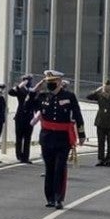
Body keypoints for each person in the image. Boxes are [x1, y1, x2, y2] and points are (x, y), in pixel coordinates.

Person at [33, 70, 86, 209]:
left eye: (53, 82)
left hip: (63, 138)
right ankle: (49, 198)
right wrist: (35, 90)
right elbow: (28, 105)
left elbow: (77, 115)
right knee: (49, 168)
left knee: (59, 168)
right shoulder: (43, 96)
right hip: (47, 137)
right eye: (48, 82)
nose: (50, 84)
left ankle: (58, 198)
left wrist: (81, 134)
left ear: (60, 82)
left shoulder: (69, 96)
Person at [86, 81, 110, 167]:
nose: (108, 88)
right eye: (106, 86)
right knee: (100, 142)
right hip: (100, 121)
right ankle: (100, 159)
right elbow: (88, 97)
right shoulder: (100, 95)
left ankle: (108, 160)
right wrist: (96, 91)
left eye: (109, 86)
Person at [10, 74, 36, 163]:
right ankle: (19, 155)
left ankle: (26, 157)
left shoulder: (32, 91)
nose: (29, 82)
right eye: (28, 80)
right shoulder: (20, 90)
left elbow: (35, 102)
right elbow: (11, 92)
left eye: (30, 80)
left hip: (29, 117)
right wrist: (20, 85)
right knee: (19, 137)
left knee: (27, 138)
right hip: (20, 116)